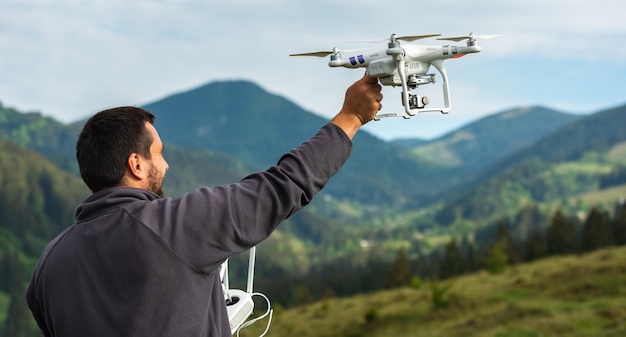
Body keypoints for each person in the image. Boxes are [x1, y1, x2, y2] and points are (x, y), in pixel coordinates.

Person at [26, 73, 382, 336]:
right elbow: (285, 184)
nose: (166, 165)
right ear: (136, 165)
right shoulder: (172, 227)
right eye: (159, 154)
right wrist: (351, 117)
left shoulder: (47, 265)